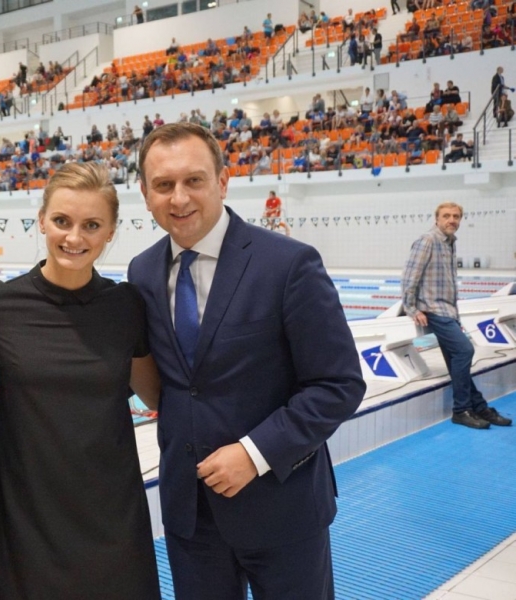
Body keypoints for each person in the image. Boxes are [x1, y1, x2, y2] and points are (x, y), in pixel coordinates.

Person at [128, 122, 365, 599]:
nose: (179, 198)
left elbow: (338, 384)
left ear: (223, 180)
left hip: (282, 507)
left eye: (194, 180)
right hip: (190, 516)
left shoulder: (288, 264)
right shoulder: (143, 272)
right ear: (145, 194)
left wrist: (255, 454)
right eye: (164, 184)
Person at [0, 162, 161, 600]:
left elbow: (158, 396)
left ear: (110, 232)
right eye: (62, 221)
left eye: (91, 225)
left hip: (111, 514)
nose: (74, 238)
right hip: (26, 516)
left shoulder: (125, 307)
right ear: (42, 220)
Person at [401, 202, 512, 429]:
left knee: (456, 361)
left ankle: (479, 407)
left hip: (448, 311)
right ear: (437, 219)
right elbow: (410, 276)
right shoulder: (427, 240)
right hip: (433, 310)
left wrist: (455, 316)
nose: (452, 220)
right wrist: (411, 308)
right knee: (464, 350)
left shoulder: (450, 242)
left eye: (456, 216)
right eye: (446, 216)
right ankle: (461, 410)